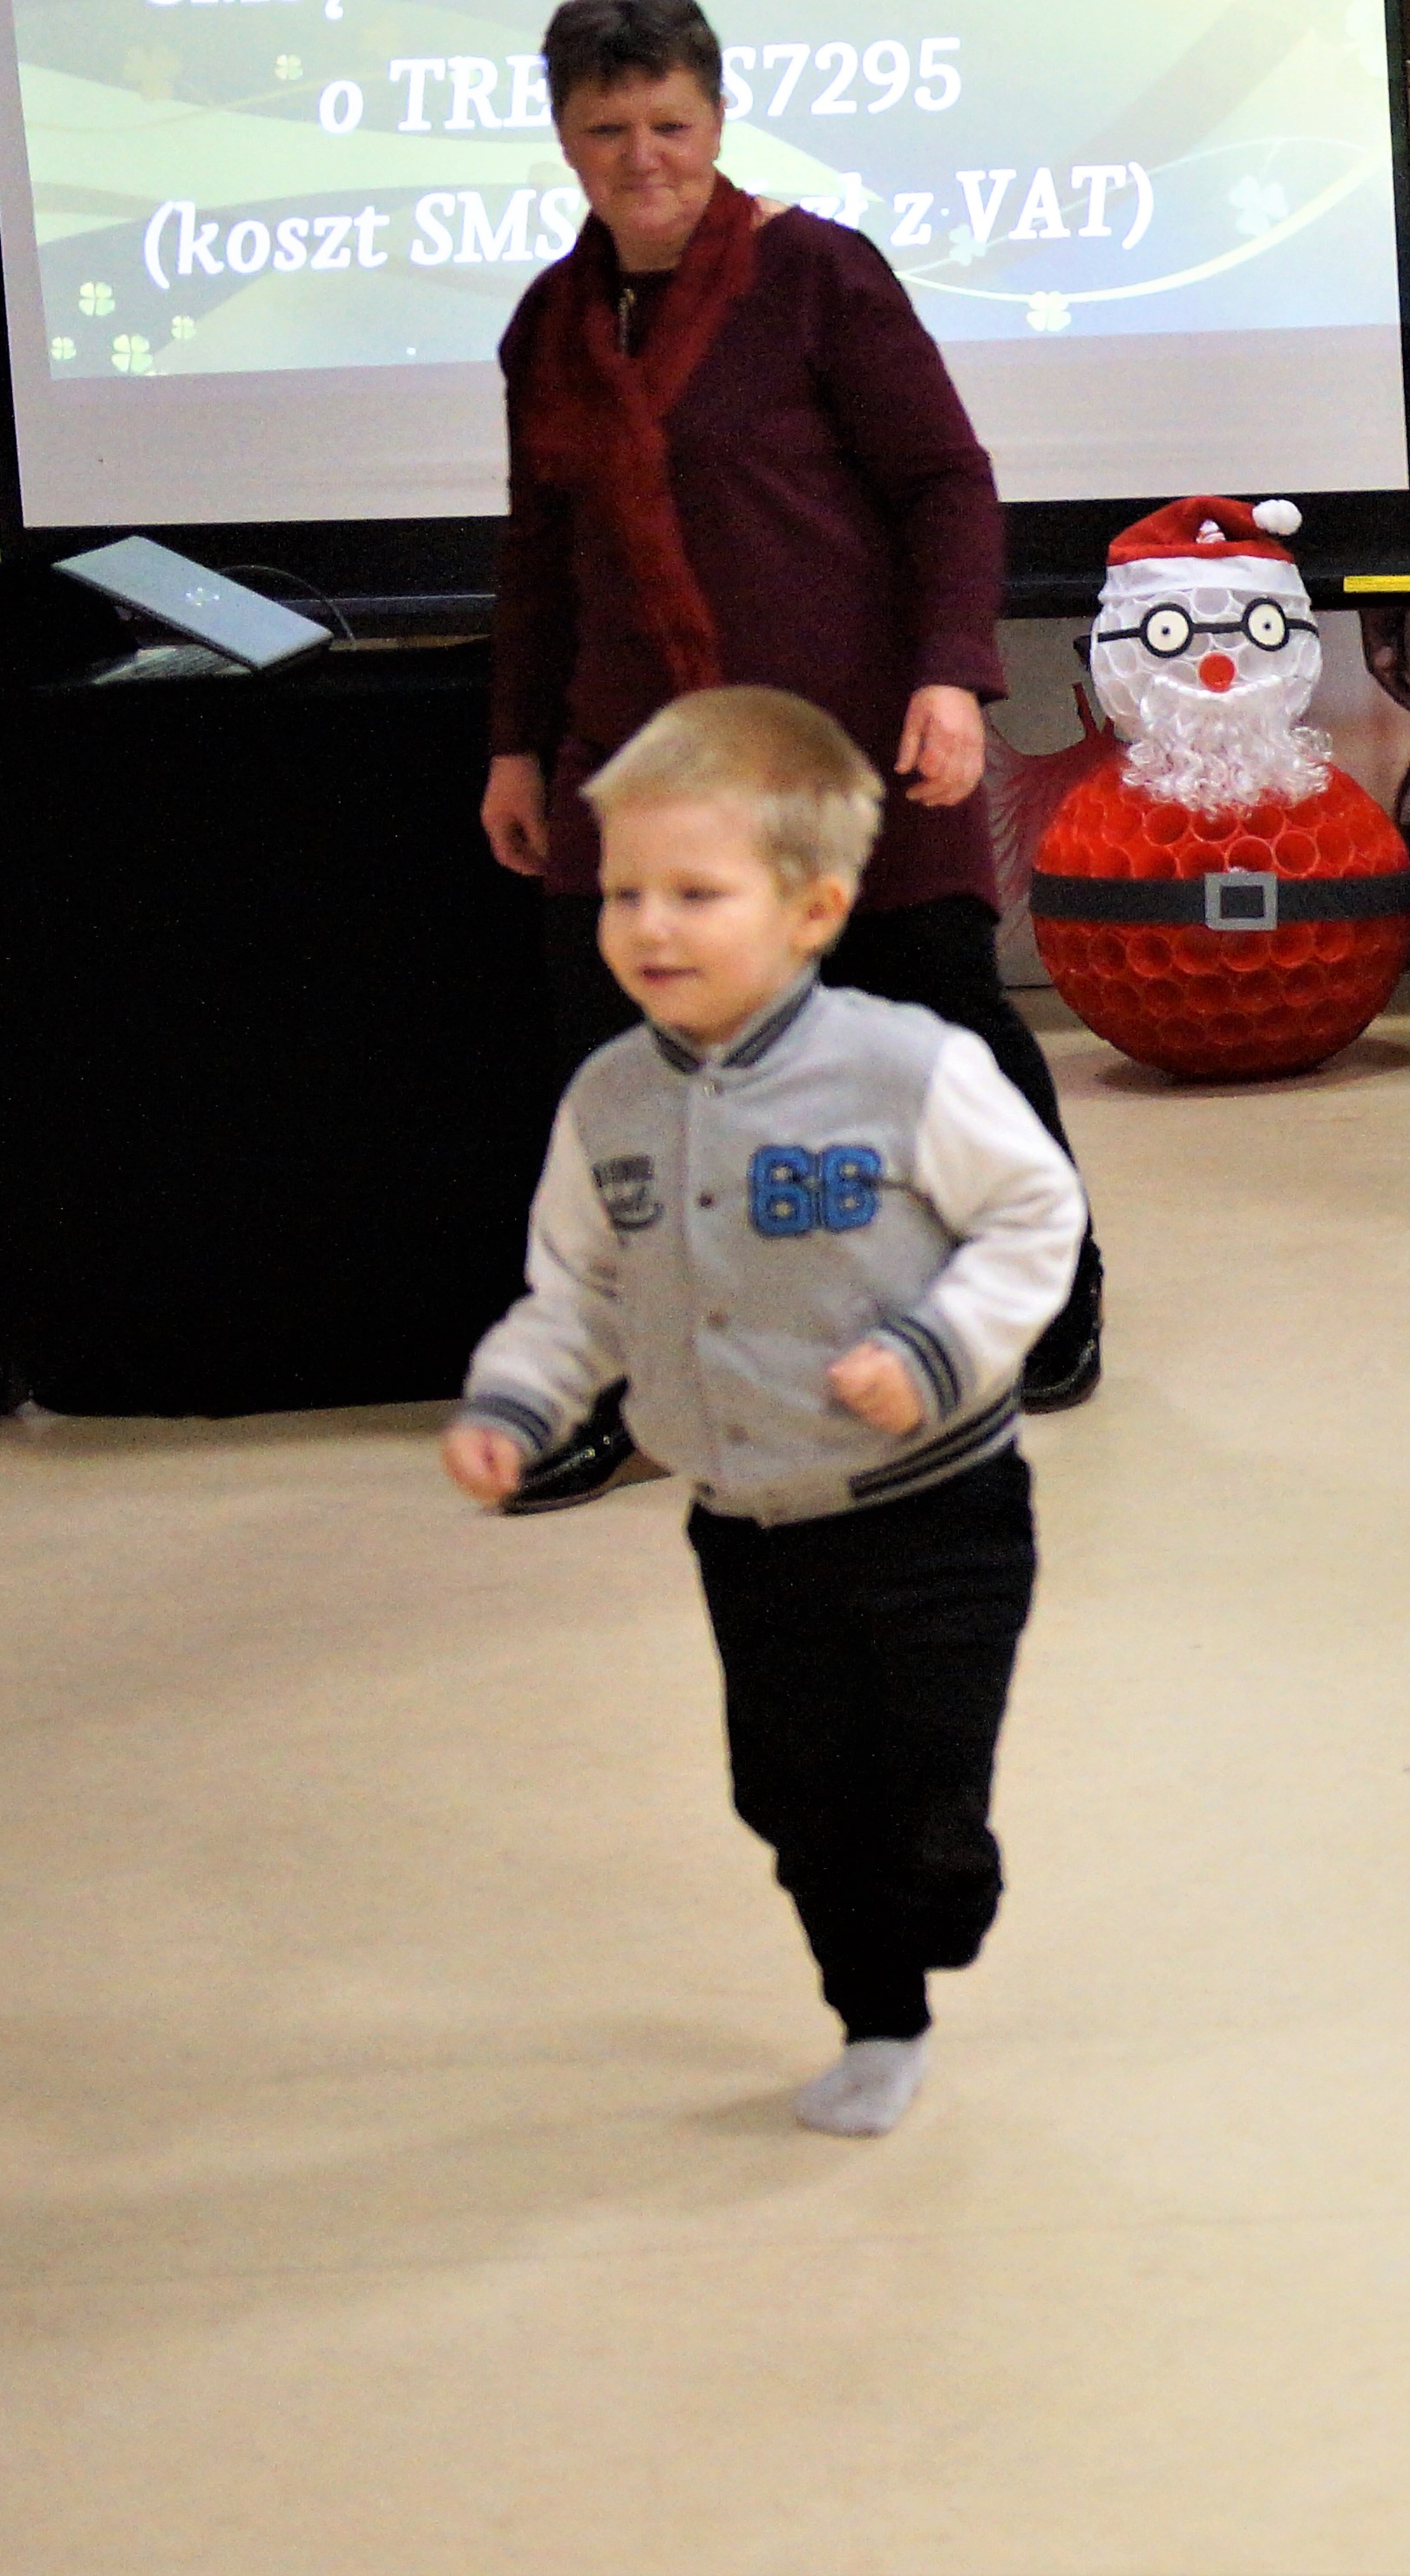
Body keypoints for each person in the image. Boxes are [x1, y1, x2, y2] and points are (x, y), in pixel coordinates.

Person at [479, 0, 1099, 1512]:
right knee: (618, 1064)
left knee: (941, 1020)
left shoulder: (818, 273)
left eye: (669, 124)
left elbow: (946, 484)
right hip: (637, 767)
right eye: (607, 129)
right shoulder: (550, 326)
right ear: (563, 138)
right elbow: (539, 557)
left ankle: (1050, 1284)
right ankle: (635, 1375)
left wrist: (952, 677)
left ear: (717, 120)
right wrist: (514, 748)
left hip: (847, 743)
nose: (642, 157)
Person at [440, 688, 1083, 2140]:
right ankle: (876, 2018)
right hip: (749, 1528)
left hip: (938, 1518)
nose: (649, 927)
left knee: (919, 1798)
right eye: (625, 894)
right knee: (788, 1799)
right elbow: (575, 1288)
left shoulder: (907, 1069)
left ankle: (936, 1889)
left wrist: (936, 1349)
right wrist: (517, 1404)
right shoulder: (608, 1102)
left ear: (813, 910)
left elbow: (1035, 1215)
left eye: (696, 894)